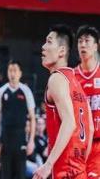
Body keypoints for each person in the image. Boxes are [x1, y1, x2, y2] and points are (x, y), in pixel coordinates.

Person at [33, 25, 93, 179]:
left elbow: (69, 122)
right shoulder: (77, 83)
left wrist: (48, 165)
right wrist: (80, 165)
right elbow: (91, 128)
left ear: (61, 51)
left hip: (65, 171)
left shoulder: (56, 79)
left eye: (49, 42)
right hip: (80, 171)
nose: (43, 47)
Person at [0, 60, 36, 179]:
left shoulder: (26, 91)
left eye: (15, 70)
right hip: (5, 140)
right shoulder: (1, 91)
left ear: (20, 73)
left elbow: (32, 118)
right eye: (10, 70)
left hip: (21, 140)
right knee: (5, 176)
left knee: (20, 175)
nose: (12, 73)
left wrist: (31, 141)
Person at [74, 25, 99, 176]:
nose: (82, 45)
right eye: (80, 41)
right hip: (78, 146)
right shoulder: (72, 77)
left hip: (98, 144)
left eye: (87, 41)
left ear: (96, 46)